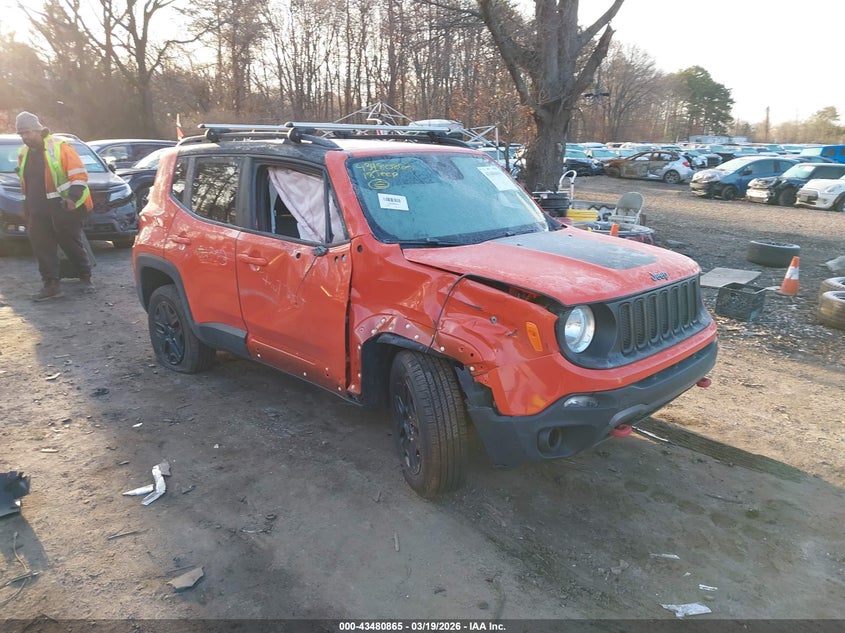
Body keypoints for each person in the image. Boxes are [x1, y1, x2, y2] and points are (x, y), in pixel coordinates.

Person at [15, 111, 94, 301]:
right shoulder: (23, 153)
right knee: (42, 248)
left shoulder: (60, 147)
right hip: (36, 208)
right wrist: (27, 209)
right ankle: (51, 285)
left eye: (27, 133)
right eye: (21, 134)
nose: (25, 137)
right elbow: (27, 181)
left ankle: (85, 275)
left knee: (70, 243)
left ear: (37, 130)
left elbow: (79, 176)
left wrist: (72, 199)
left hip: (63, 207)